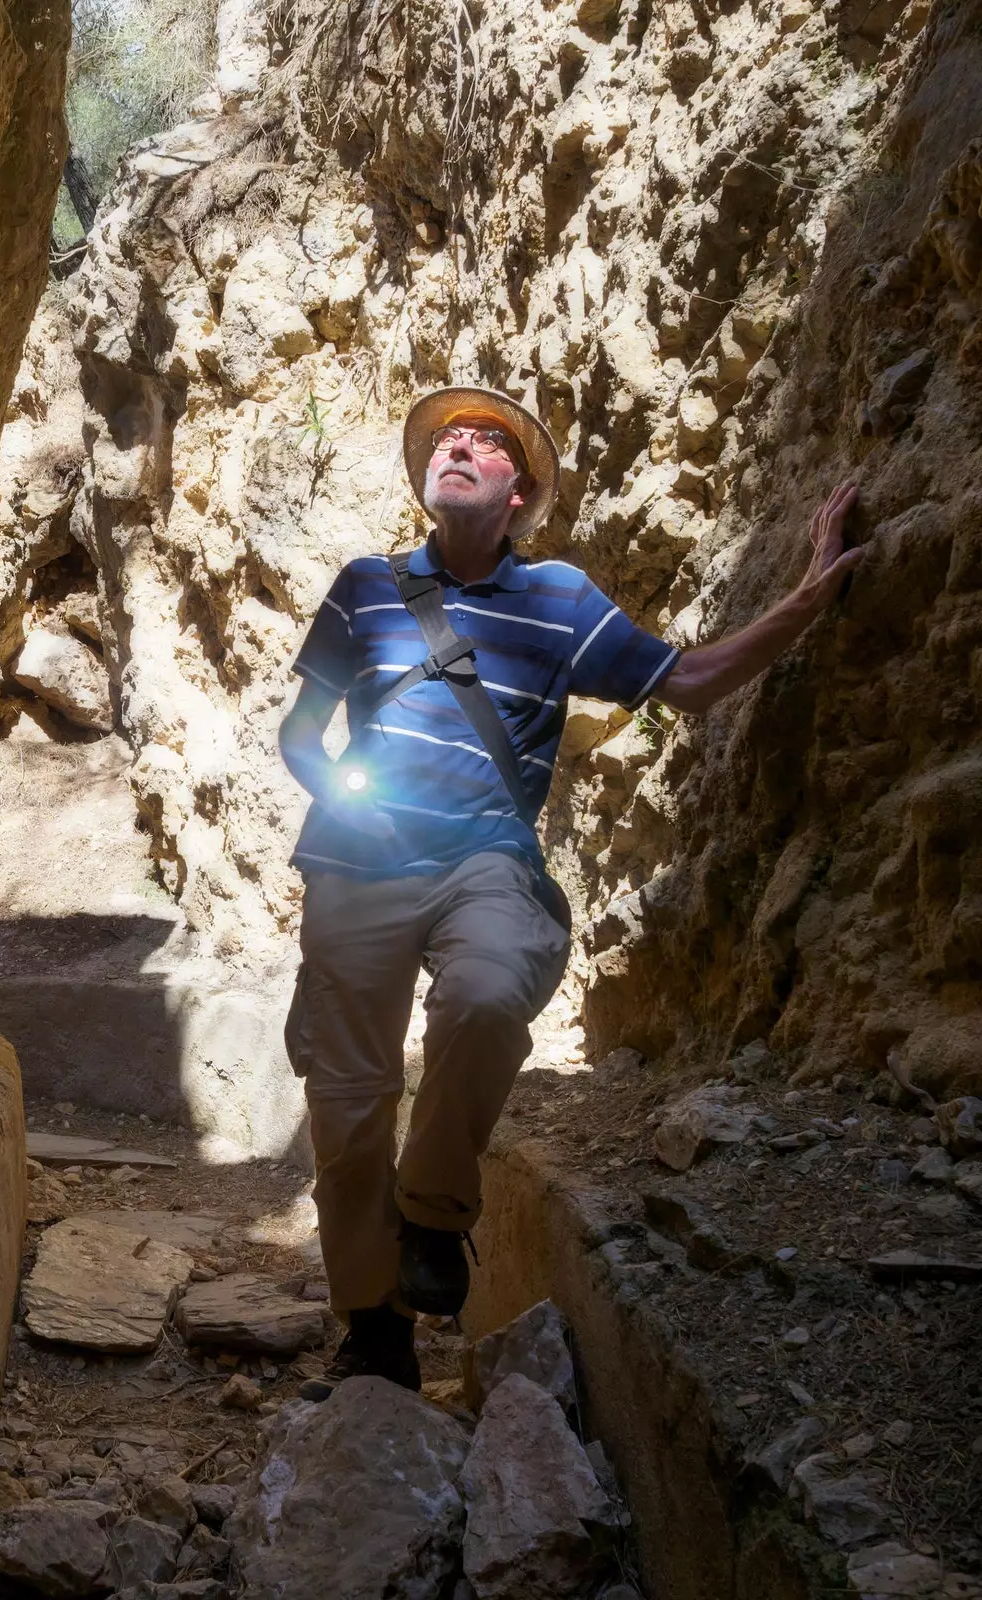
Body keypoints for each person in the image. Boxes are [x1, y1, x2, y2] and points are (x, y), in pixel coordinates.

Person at [278, 386, 862, 1399]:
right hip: (353, 864)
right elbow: (301, 731)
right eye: (444, 440)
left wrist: (807, 599)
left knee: (494, 987)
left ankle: (432, 1213)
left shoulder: (558, 599)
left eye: (485, 444)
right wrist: (342, 797)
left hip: (483, 859)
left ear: (518, 494)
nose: (457, 446)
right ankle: (373, 1328)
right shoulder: (363, 588)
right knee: (346, 1102)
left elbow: (686, 681)